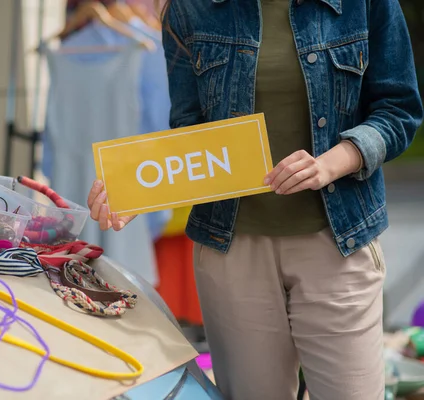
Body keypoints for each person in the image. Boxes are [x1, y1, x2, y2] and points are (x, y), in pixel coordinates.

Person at [87, 0, 423, 399]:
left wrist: (334, 162)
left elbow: (399, 109)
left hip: (339, 243)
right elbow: (189, 134)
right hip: (233, 256)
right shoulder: (188, 9)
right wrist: (136, 191)